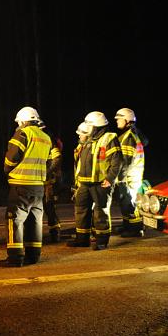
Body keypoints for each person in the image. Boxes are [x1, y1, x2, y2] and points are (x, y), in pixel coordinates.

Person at [0, 107, 53, 267]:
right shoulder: (46, 138)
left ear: (22, 121)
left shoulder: (23, 133)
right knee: (35, 221)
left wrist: (7, 169)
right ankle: (34, 255)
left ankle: (15, 257)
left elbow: (12, 157)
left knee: (14, 220)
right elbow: (49, 162)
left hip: (20, 185)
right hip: (38, 186)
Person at [68, 111, 123, 251]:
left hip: (100, 183)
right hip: (84, 183)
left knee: (101, 212)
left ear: (96, 126)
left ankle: (102, 241)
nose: (87, 128)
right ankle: (82, 240)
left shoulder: (109, 138)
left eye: (89, 125)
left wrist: (110, 179)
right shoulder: (89, 140)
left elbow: (117, 162)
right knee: (81, 211)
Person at [113, 108, 148, 237]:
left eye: (119, 119)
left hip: (130, 177)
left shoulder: (128, 137)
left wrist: (119, 176)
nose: (116, 121)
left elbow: (126, 161)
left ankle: (135, 229)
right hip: (129, 176)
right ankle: (127, 225)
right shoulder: (128, 135)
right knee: (125, 202)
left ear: (127, 120)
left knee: (130, 203)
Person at [39, 120, 64, 244]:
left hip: (48, 183)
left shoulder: (48, 141)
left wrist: (47, 172)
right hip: (39, 181)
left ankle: (55, 233)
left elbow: (57, 157)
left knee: (49, 208)